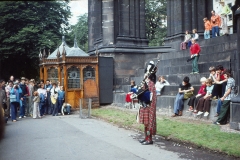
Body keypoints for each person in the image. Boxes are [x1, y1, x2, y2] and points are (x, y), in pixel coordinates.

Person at [138, 61, 157, 145]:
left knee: (149, 124)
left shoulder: (151, 84)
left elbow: (152, 97)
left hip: (149, 106)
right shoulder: (145, 83)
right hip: (144, 106)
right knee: (145, 124)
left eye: (146, 73)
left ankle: (149, 139)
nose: (145, 75)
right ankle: (146, 138)